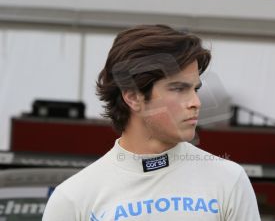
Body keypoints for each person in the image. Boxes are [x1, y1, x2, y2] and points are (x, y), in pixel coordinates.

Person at [42, 24, 261, 221]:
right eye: (178, 89)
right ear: (133, 97)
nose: (196, 102)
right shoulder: (73, 199)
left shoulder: (229, 180)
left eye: (195, 89)